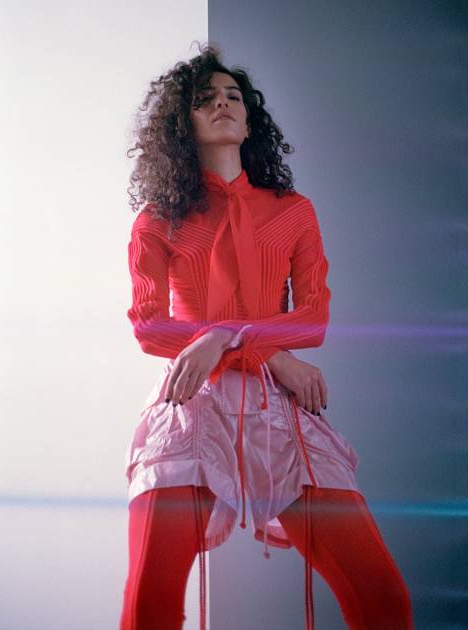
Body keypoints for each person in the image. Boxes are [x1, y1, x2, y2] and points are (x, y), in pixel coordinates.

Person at [119, 42, 414, 630]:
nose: (223, 104)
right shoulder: (157, 218)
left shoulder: (294, 212)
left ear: (250, 119)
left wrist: (223, 336)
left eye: (234, 96)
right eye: (205, 99)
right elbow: (149, 326)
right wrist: (275, 356)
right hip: (189, 408)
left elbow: (313, 320)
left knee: (383, 599)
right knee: (149, 605)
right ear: (182, 124)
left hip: (280, 414)